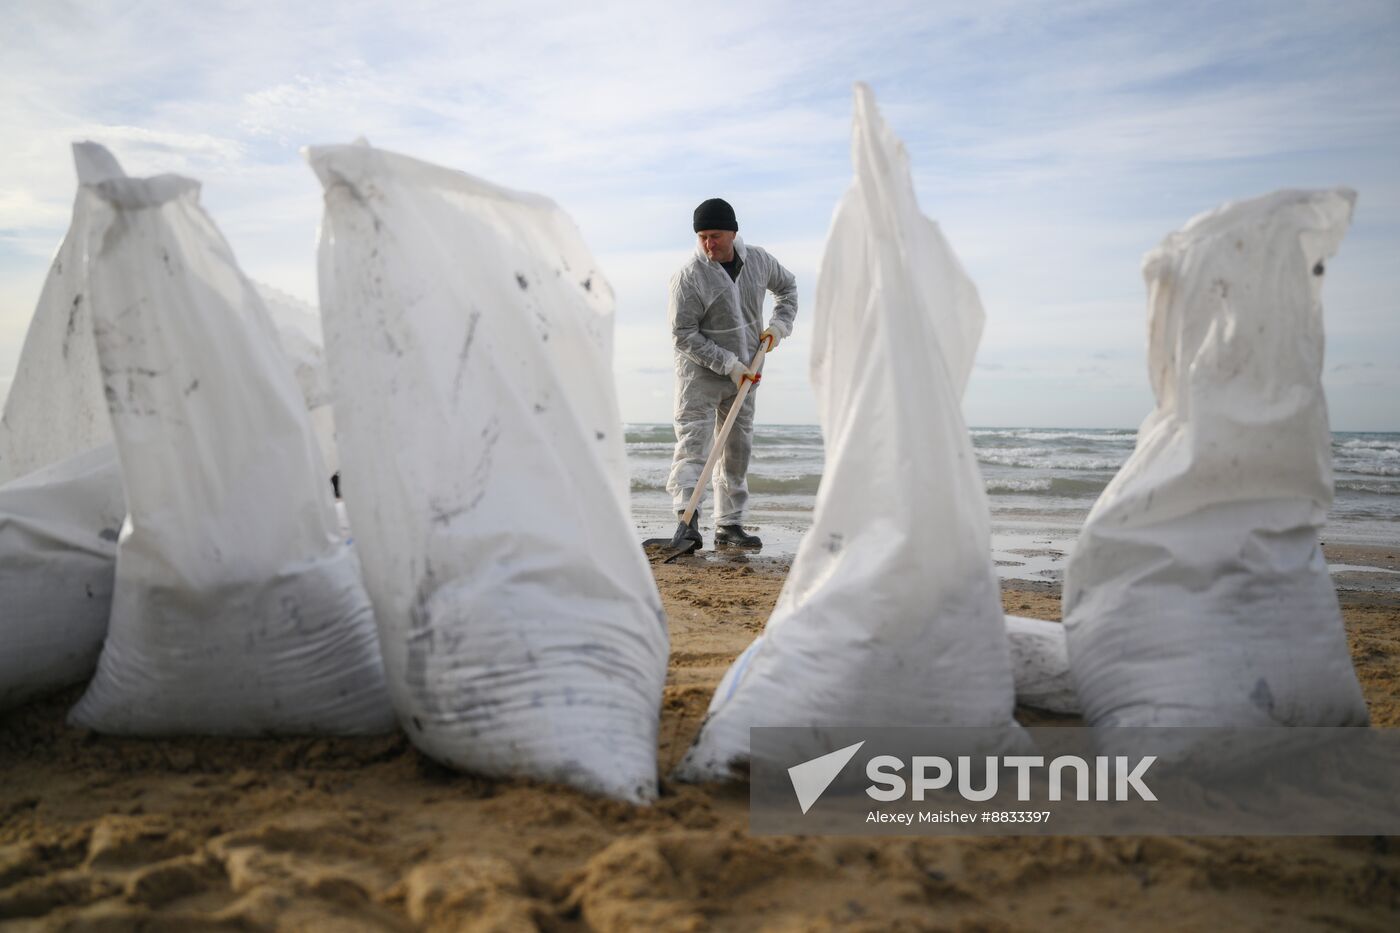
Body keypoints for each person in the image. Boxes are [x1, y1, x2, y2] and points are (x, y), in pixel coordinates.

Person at [666, 197, 797, 550]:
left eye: (715, 236)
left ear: (733, 232)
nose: (709, 244)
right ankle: (687, 520)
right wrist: (728, 365)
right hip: (700, 375)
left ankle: (729, 525)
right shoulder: (689, 278)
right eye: (703, 237)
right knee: (693, 445)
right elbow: (683, 335)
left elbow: (788, 290)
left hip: (748, 372)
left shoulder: (759, 261)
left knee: (737, 449)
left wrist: (778, 328)